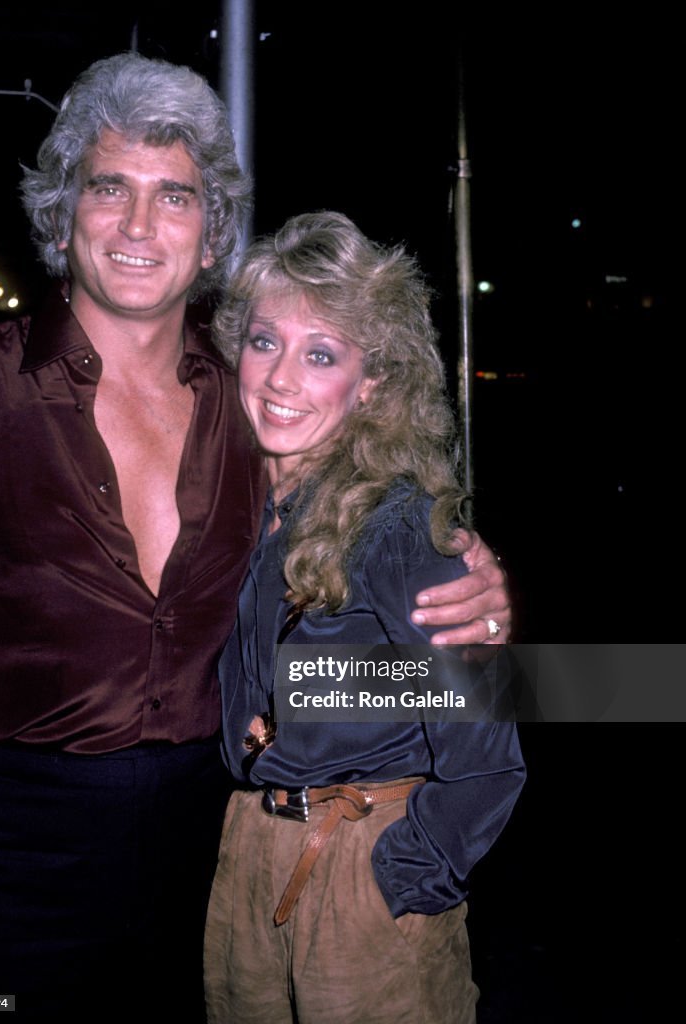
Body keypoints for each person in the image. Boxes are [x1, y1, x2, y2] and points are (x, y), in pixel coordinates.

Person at [0, 54, 509, 1015]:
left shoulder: (256, 413)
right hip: (13, 849)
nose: (140, 225)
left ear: (211, 238)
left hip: (215, 850)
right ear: (64, 212)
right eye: (110, 187)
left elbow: (410, 633)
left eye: (177, 197)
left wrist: (475, 616)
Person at [203, 212, 525, 1024]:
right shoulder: (234, 506)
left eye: (321, 355)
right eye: (265, 341)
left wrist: (401, 876)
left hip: (361, 874)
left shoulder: (399, 527)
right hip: (248, 855)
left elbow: (488, 754)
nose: (280, 380)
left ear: (372, 382)